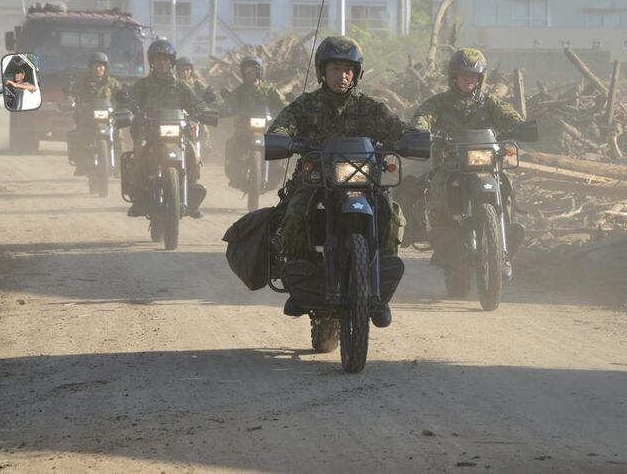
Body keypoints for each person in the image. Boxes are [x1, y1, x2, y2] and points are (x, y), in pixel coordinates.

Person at [268, 35, 417, 326]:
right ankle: (301, 284)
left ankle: (379, 292)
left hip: (364, 181)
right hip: (316, 180)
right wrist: (282, 138)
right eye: (336, 68)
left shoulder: (370, 107)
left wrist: (411, 137)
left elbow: (397, 127)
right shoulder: (306, 105)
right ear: (323, 72)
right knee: (295, 215)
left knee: (392, 216)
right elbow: (283, 125)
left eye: (348, 69)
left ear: (357, 74)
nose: (343, 75)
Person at [411, 48, 523, 261]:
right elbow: (423, 116)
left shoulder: (489, 102)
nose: (468, 80)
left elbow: (508, 114)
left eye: (473, 76)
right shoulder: (439, 102)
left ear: (481, 78)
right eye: (464, 75)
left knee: (506, 186)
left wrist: (518, 125)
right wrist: (420, 130)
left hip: (486, 163)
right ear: (454, 77)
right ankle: (440, 236)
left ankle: (505, 233)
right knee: (436, 189)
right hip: (451, 163)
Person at [124, 39, 207, 218]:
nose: (162, 62)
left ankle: (190, 193)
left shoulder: (181, 87)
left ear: (172, 62)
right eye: (158, 59)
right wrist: (125, 112)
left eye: (166, 59)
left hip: (178, 134)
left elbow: (196, 105)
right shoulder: (142, 85)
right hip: (149, 133)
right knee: (138, 155)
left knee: (193, 154)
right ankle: (139, 198)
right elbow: (128, 102)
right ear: (152, 61)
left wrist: (203, 113)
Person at [223, 56, 283, 188]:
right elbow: (229, 103)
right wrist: (227, 108)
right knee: (233, 144)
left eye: (253, 70)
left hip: (267, 127)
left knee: (280, 147)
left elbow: (282, 103)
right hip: (244, 128)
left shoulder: (269, 89)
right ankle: (235, 174)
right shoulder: (240, 90)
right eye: (246, 70)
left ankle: (274, 176)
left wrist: (287, 109)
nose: (249, 73)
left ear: (259, 72)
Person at [67, 52, 123, 175]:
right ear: (91, 68)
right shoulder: (82, 83)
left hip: (107, 118)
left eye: (101, 66)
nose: (99, 68)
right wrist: (71, 100)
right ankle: (81, 164)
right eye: (96, 66)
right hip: (87, 119)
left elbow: (121, 95)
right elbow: (72, 93)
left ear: (106, 68)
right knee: (78, 135)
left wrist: (125, 100)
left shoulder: (112, 83)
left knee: (119, 136)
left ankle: (119, 167)